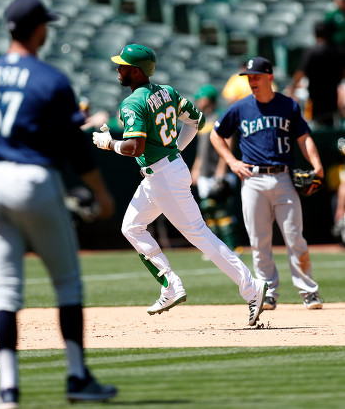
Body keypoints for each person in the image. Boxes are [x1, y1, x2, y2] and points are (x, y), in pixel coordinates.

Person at [0, 0, 117, 408]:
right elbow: (76, 147)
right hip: (32, 178)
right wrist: (102, 193)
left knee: (4, 292)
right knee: (67, 282)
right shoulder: (50, 78)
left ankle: (7, 391)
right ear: (38, 29)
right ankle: (76, 376)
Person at [92, 43, 268, 327]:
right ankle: (170, 285)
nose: (118, 69)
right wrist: (174, 152)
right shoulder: (168, 92)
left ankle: (251, 288)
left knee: (200, 235)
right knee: (131, 227)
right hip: (163, 172)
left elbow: (135, 147)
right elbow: (195, 121)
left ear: (136, 72)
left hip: (163, 176)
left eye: (123, 65)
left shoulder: (132, 102)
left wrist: (109, 143)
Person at [210, 56, 324, 311]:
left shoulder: (288, 106)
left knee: (295, 238)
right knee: (259, 241)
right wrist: (231, 162)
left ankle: (308, 291)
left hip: (284, 177)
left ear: (269, 77)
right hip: (253, 179)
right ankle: (268, 292)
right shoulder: (240, 107)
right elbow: (216, 135)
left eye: (256, 76)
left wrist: (317, 165)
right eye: (249, 77)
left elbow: (304, 138)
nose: (252, 81)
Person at [190, 84, 242, 255]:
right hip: (205, 172)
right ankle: (214, 250)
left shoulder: (219, 117)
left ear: (207, 99)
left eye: (200, 98)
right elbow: (201, 150)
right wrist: (196, 168)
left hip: (218, 173)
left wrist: (222, 168)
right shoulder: (202, 120)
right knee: (208, 211)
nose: (197, 101)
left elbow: (228, 142)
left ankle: (232, 247)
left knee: (222, 210)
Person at [286, 21, 345, 128]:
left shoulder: (311, 51)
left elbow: (300, 73)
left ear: (315, 34)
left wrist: (292, 86)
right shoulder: (338, 50)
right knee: (331, 123)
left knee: (317, 124)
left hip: (316, 94)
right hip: (332, 94)